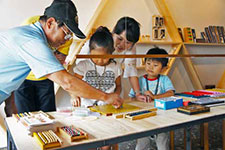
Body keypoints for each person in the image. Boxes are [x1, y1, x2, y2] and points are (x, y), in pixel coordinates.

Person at [0, 0, 123, 110]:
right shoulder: (32, 42)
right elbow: (67, 82)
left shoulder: (32, 37)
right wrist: (106, 97)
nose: (67, 39)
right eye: (67, 33)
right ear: (50, 23)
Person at [72, 26, 121, 150]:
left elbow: (119, 86)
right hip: (87, 111)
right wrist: (74, 95)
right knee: (89, 142)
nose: (99, 61)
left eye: (104, 57)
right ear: (90, 51)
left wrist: (116, 96)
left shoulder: (116, 67)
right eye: (95, 56)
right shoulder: (83, 65)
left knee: (106, 143)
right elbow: (73, 84)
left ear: (111, 53)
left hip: (107, 110)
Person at [78, 16, 146, 101]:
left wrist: (138, 93)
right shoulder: (97, 42)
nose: (122, 45)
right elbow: (80, 65)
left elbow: (131, 69)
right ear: (113, 32)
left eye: (128, 42)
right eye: (119, 38)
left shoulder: (131, 48)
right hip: (90, 90)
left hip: (111, 90)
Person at [14, 15, 72, 113]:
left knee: (49, 117)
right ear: (50, 23)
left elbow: (58, 62)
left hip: (46, 79)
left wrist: (41, 56)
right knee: (25, 117)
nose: (67, 39)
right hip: (23, 78)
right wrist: (50, 56)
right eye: (65, 33)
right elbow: (25, 55)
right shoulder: (31, 24)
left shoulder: (68, 35)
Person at [129, 47, 175, 150]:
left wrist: (154, 97)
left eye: (155, 65)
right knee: (141, 145)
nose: (151, 67)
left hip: (162, 118)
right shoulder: (139, 80)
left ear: (163, 68)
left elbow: (171, 93)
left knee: (162, 144)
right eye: (148, 63)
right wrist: (140, 98)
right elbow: (131, 98)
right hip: (144, 118)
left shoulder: (164, 79)